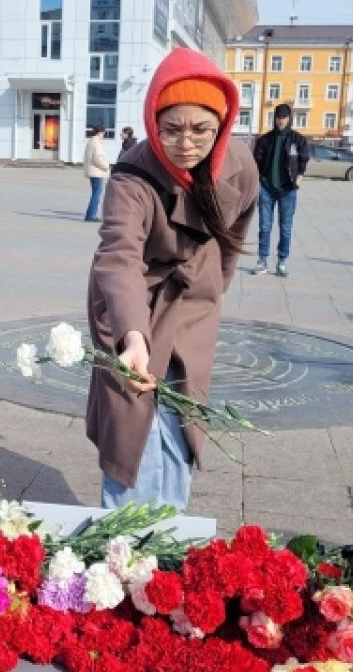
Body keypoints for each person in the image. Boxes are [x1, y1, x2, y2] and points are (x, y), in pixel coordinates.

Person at [86, 47, 259, 511]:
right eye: (172, 128)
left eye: (201, 128)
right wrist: (133, 334)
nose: (186, 142)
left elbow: (233, 234)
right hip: (133, 300)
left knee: (181, 416)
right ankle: (123, 541)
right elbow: (119, 255)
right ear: (152, 124)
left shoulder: (240, 166)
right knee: (132, 420)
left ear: (221, 126)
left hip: (193, 300)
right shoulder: (132, 177)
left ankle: (170, 534)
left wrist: (211, 292)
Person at [251, 103, 308, 276]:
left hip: (288, 190)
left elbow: (303, 159)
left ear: (289, 118)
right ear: (274, 118)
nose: (281, 121)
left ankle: (282, 262)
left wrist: (299, 177)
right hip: (266, 189)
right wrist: (257, 181)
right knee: (264, 226)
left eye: (284, 117)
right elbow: (256, 162)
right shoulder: (265, 139)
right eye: (278, 117)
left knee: (285, 227)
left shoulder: (297, 139)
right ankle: (262, 261)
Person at [83, 125, 110, 222]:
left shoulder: (92, 141)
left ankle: (90, 215)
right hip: (96, 172)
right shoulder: (96, 142)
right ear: (100, 132)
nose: (104, 135)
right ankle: (91, 216)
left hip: (94, 171)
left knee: (95, 193)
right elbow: (97, 158)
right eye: (104, 133)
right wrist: (106, 166)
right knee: (96, 195)